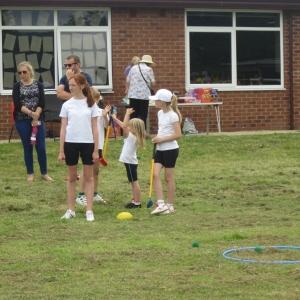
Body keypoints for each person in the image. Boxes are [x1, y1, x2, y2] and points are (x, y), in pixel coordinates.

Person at [58, 74, 99, 221]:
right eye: (70, 84)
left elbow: (95, 129)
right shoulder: (67, 105)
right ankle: (71, 210)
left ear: (82, 86)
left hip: (87, 143)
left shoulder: (92, 104)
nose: (71, 87)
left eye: (74, 85)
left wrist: (95, 150)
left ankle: (89, 210)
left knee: (88, 177)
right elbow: (63, 129)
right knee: (71, 178)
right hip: (70, 143)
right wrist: (61, 150)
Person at [12, 61, 53, 182]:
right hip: (22, 119)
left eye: (24, 72)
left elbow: (42, 102)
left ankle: (44, 173)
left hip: (38, 119)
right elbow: (17, 104)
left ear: (30, 71)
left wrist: (37, 114)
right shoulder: (17, 86)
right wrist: (31, 113)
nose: (22, 74)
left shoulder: (38, 85)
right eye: (20, 72)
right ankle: (30, 173)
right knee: (27, 147)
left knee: (41, 147)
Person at [148, 89, 182, 214]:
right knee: (155, 174)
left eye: (156, 100)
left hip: (171, 150)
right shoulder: (159, 113)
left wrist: (161, 139)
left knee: (168, 178)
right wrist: (157, 139)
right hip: (160, 149)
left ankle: (170, 205)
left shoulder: (173, 116)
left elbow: (178, 135)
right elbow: (162, 130)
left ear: (161, 102)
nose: (154, 101)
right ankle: (161, 204)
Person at [76, 87, 111, 205]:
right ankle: (81, 194)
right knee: (86, 170)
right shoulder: (84, 111)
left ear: (97, 99)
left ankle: (95, 193)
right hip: (88, 143)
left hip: (98, 145)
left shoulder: (101, 111)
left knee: (95, 170)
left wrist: (105, 116)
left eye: (94, 99)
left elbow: (107, 127)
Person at [111, 108, 146, 208]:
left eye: (130, 126)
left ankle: (137, 202)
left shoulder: (132, 137)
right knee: (132, 182)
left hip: (130, 162)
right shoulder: (134, 136)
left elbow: (124, 125)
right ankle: (134, 199)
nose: (128, 127)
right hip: (130, 162)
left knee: (134, 182)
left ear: (134, 128)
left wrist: (127, 114)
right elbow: (124, 125)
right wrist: (114, 118)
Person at [126, 54, 155, 133]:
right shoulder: (149, 69)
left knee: (133, 115)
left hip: (133, 95)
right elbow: (153, 83)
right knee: (142, 115)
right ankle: (142, 133)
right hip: (144, 96)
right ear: (148, 63)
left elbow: (128, 81)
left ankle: (132, 131)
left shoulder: (133, 68)